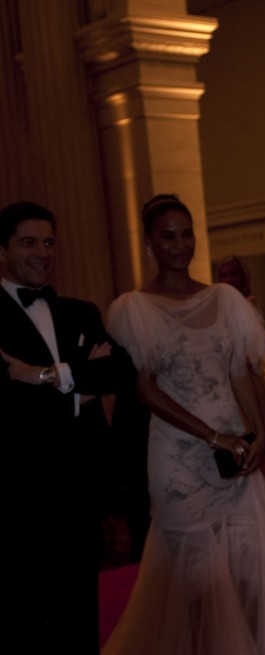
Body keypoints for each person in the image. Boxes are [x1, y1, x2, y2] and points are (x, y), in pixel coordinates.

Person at [102, 194, 265, 654]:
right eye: (168, 236)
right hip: (178, 459)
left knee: (246, 572)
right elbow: (144, 389)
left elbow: (238, 372)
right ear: (149, 243)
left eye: (186, 234)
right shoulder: (134, 308)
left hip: (234, 458)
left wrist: (256, 432)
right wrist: (211, 435)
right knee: (193, 581)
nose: (181, 245)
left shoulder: (224, 299)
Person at [0, 201, 135, 653]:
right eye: (29, 242)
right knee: (25, 616)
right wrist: (80, 381)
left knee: (79, 614)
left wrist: (43, 376)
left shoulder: (81, 312)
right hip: (18, 495)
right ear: (3, 249)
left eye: (49, 242)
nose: (43, 252)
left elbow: (120, 371)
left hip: (79, 490)